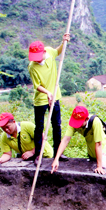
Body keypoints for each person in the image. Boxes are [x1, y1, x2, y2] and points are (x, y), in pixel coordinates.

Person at [28, 33, 71, 163]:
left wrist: (64, 42)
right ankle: (38, 155)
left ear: (43, 52)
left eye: (38, 57)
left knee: (56, 125)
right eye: (33, 57)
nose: (36, 60)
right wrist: (47, 93)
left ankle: (58, 153)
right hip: (41, 99)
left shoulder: (50, 53)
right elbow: (37, 86)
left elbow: (59, 51)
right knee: (39, 127)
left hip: (55, 96)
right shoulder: (32, 67)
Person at [51, 106, 106, 175]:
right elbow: (65, 140)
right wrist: (56, 159)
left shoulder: (96, 122)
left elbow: (98, 144)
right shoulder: (74, 122)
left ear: (87, 119)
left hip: (105, 152)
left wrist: (99, 166)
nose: (76, 125)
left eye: (79, 123)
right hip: (92, 151)